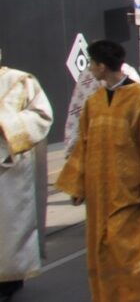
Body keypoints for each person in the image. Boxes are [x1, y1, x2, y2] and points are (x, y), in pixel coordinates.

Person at [55, 40, 140, 302]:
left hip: (131, 195)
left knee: (130, 254)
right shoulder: (94, 102)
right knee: (103, 255)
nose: (90, 70)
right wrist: (78, 184)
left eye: (91, 65)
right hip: (99, 197)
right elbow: (83, 145)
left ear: (100, 66)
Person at [0, 51, 52, 301]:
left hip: (10, 173)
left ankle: (10, 280)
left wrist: (6, 125)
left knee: (9, 231)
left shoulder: (20, 81)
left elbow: (42, 116)